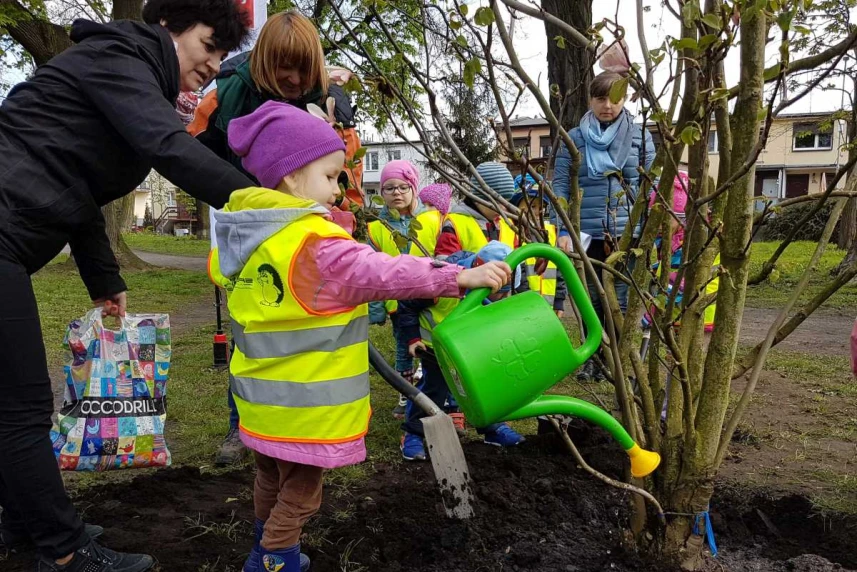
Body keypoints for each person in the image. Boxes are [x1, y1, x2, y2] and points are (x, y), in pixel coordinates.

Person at [0, 0, 253, 570]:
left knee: (10, 401)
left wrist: (103, 278)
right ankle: (64, 552)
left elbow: (80, 186)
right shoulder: (120, 58)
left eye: (223, 54)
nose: (214, 63)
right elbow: (170, 148)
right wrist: (264, 206)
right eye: (210, 45)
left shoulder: (126, 73)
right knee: (20, 406)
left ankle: (24, 523)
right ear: (171, 24)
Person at [208, 101, 509, 571]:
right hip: (305, 409)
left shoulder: (246, 237)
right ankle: (274, 558)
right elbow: (381, 272)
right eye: (330, 177)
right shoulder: (312, 244)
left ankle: (262, 538)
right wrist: (456, 277)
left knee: (269, 476)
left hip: (259, 398)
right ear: (290, 178)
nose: (338, 188)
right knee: (302, 495)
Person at [191, 9, 362, 466]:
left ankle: (301, 422)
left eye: (302, 68)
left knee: (309, 327)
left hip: (308, 229)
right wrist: (238, 202)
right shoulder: (228, 93)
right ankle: (243, 426)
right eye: (282, 66)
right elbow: (190, 153)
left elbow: (342, 160)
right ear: (264, 60)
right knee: (252, 330)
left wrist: (339, 198)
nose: (292, 77)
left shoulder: (326, 97)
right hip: (253, 230)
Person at [552, 70, 656, 382]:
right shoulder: (575, 138)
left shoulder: (639, 137)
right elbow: (560, 187)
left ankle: (621, 361)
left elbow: (650, 185)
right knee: (589, 300)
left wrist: (650, 230)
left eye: (615, 98)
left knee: (621, 301)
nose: (607, 105)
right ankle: (593, 360)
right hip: (584, 234)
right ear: (590, 100)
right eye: (600, 98)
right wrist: (562, 229)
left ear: (625, 99)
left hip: (626, 234)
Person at [398, 240, 526, 461]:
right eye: (498, 293)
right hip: (435, 348)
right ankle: (414, 434)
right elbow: (406, 305)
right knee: (433, 389)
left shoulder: (497, 288)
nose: (501, 298)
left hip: (471, 348)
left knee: (483, 387)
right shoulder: (441, 280)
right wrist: (412, 339)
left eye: (505, 293)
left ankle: (492, 428)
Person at [366, 160, 428, 418]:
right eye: (389, 188)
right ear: (382, 194)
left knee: (431, 347)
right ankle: (405, 393)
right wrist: (376, 309)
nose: (397, 193)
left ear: (414, 188)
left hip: (428, 298)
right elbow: (371, 271)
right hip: (397, 304)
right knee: (404, 348)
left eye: (403, 187)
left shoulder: (428, 220)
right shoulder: (375, 228)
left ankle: (432, 389)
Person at [507, 186, 568, 317]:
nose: (536, 212)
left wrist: (559, 301)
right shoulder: (514, 233)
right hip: (524, 307)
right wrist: (528, 301)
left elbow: (558, 270)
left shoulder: (551, 232)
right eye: (531, 206)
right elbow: (518, 273)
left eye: (541, 207)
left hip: (548, 307)